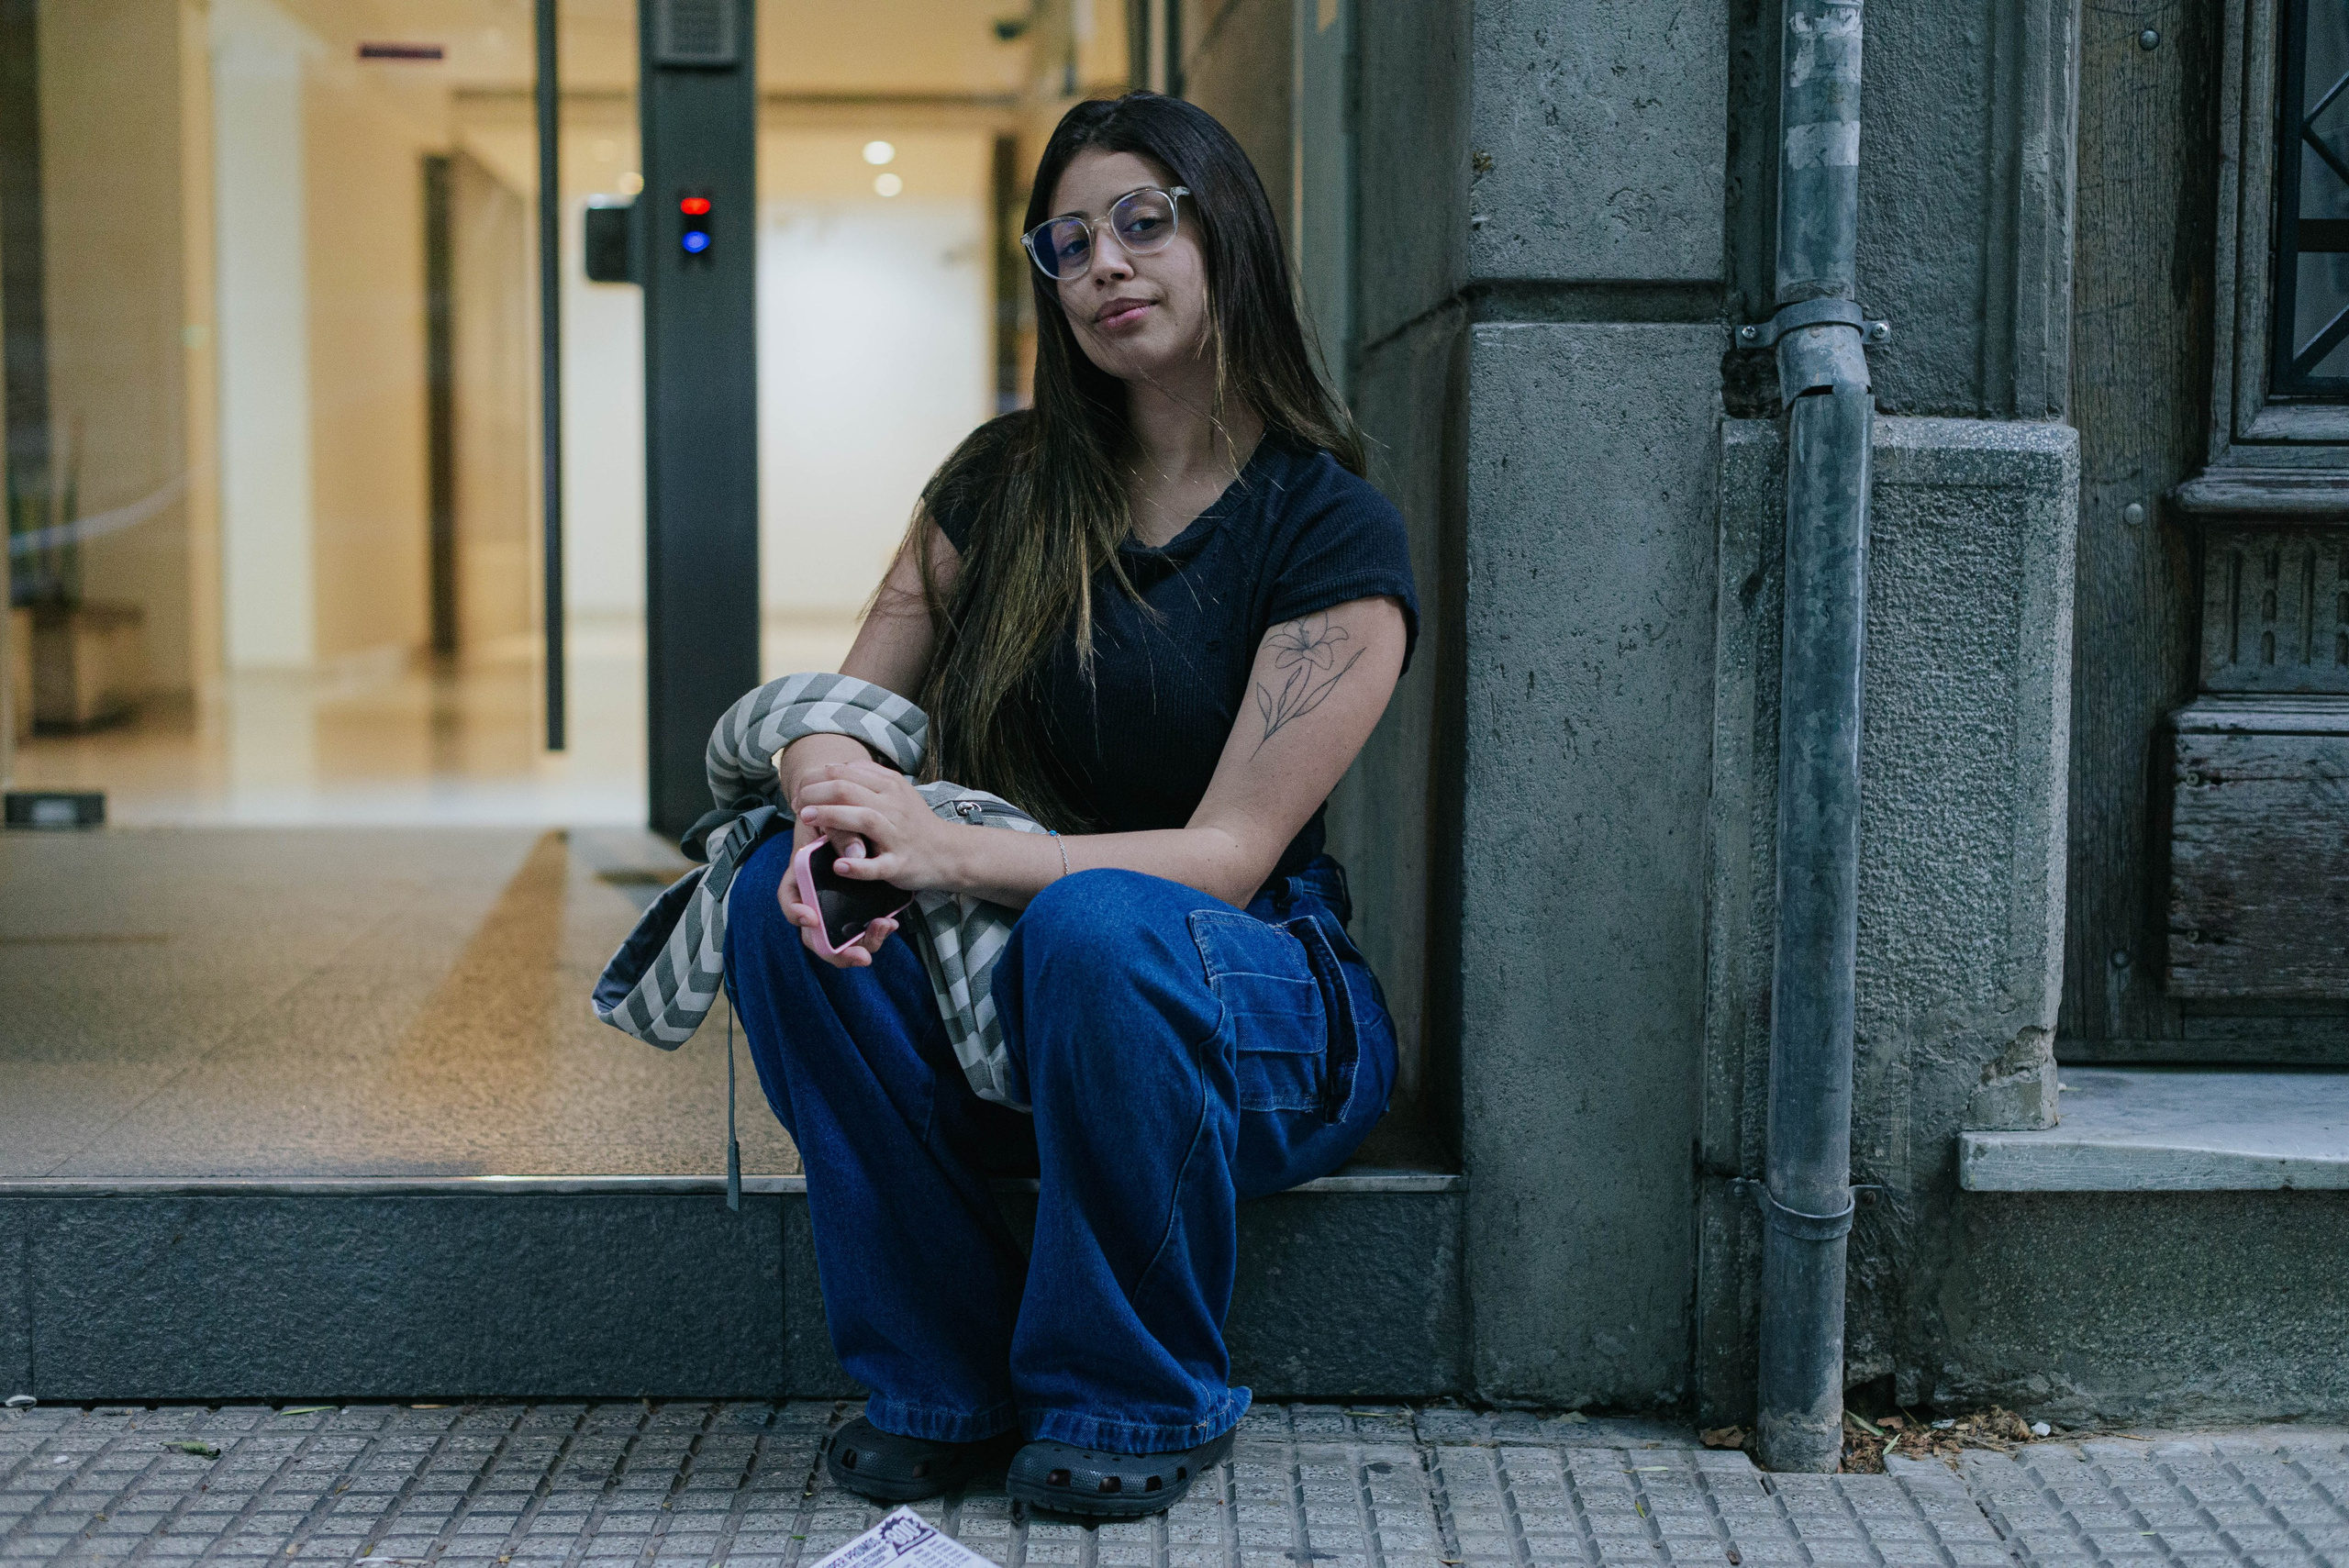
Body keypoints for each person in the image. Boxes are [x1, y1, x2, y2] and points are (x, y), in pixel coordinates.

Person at [723, 90, 1418, 1519]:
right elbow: (850, 715)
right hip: (1010, 989)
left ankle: (1141, 1388)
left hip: (1244, 997)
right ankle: (938, 1376)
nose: (1105, 262)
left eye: (1144, 222)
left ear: (1228, 237)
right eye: (1070, 240)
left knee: (1103, 927)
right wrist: (819, 785)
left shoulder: (1325, 521)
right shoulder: (998, 485)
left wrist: (950, 846)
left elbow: (1225, 858)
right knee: (779, 909)